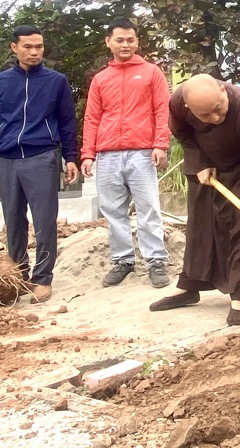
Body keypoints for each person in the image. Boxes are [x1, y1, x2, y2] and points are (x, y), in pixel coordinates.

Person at [149, 75, 240, 325]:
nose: (215, 118)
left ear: (224, 91)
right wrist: (200, 161)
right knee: (200, 227)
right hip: (208, 167)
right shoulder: (178, 102)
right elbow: (182, 134)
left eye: (218, 110)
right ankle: (188, 287)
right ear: (188, 108)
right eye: (206, 116)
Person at [0, 25, 79, 304]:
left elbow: (67, 122)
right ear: (14, 48)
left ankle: (42, 279)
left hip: (42, 157)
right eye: (28, 47)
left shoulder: (56, 81)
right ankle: (18, 275)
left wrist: (70, 157)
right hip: (7, 159)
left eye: (39, 47)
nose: (34, 52)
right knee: (14, 221)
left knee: (44, 221)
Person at [80, 17, 171, 290]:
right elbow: (92, 117)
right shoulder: (100, 80)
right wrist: (88, 153)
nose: (125, 44)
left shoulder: (152, 73)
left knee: (149, 209)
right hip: (107, 155)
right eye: (119, 39)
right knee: (112, 211)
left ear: (137, 41)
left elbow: (162, 110)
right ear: (108, 42)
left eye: (130, 39)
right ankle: (123, 261)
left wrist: (160, 144)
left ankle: (156, 261)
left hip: (142, 153)